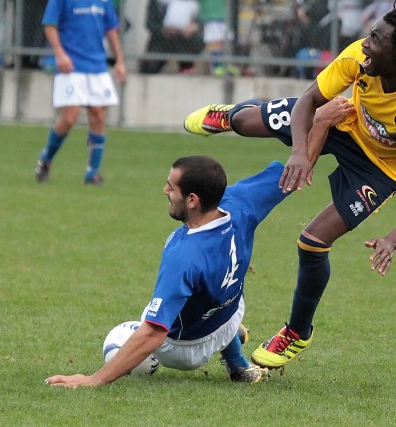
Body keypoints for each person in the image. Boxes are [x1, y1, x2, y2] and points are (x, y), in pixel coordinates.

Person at [183, 1, 396, 369]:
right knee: (249, 123)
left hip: (382, 170)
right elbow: (311, 100)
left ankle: (296, 333)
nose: (365, 44)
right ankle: (231, 114)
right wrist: (301, 151)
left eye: (376, 39)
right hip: (342, 122)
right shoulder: (359, 57)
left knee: (313, 242)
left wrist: (393, 238)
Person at [44, 156, 288, 387]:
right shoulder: (240, 204)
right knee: (213, 294)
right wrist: (318, 134)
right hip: (231, 312)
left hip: (185, 351)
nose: (165, 192)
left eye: (171, 188)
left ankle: (230, 345)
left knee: (141, 324)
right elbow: (288, 172)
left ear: (192, 200)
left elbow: (154, 334)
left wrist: (93, 379)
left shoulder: (185, 256)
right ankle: (238, 365)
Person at [34, 0, 126, 185]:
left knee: (97, 115)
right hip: (71, 65)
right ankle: (46, 159)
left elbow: (112, 29)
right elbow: (50, 24)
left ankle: (91, 173)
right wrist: (60, 55)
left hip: (97, 64)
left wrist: (120, 61)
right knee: (70, 117)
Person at [139, 0, 203, 74]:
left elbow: (202, 19)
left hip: (185, 40)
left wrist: (194, 27)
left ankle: (186, 67)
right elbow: (150, 23)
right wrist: (163, 30)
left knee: (188, 59)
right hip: (161, 41)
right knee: (148, 67)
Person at [189, 0, 235, 75]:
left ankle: (226, 65)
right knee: (213, 42)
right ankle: (217, 66)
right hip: (209, 17)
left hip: (222, 16)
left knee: (223, 41)